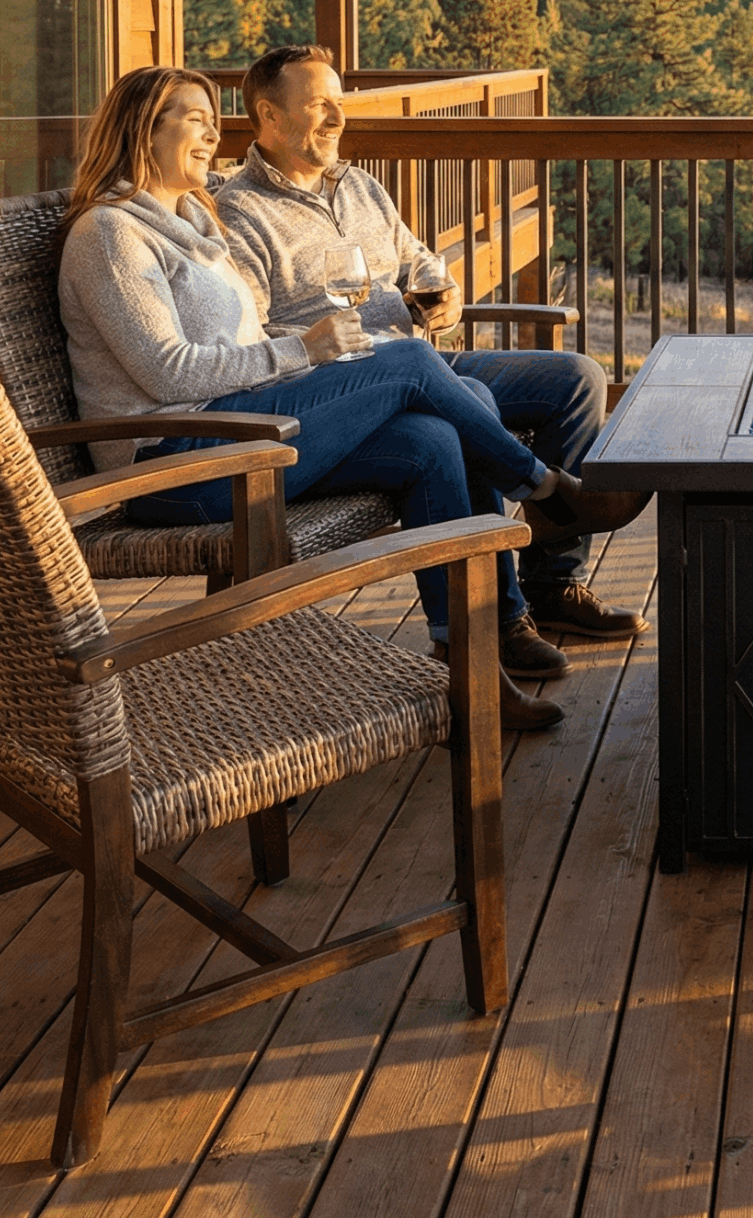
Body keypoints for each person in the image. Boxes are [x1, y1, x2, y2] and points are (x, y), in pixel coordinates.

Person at [56, 66, 586, 731]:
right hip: (173, 465)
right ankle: (543, 487)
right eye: (194, 119)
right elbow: (168, 373)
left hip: (242, 430)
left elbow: (240, 341)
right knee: (411, 361)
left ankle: (471, 662)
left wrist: (309, 359)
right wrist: (305, 352)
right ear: (141, 129)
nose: (214, 134)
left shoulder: (192, 221)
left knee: (434, 438)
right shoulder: (109, 235)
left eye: (214, 120)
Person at [214, 44, 650, 656]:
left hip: (421, 360)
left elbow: (416, 257)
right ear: (269, 115)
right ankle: (501, 615)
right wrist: (332, 341)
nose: (338, 118)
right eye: (319, 105)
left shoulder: (359, 185)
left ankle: (554, 583)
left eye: (339, 103)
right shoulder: (239, 212)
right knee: (464, 408)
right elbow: (253, 334)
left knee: (577, 378)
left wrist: (440, 292)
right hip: (347, 386)